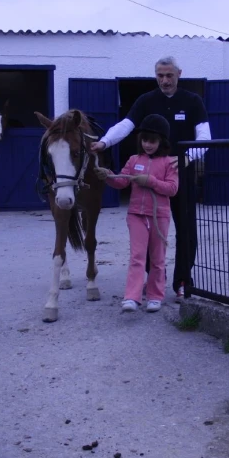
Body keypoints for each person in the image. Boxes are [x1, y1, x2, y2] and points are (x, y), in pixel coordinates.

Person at [90, 56, 210, 301]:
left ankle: (182, 281)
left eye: (169, 75)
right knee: (148, 230)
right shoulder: (146, 101)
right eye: (160, 75)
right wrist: (104, 142)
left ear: (179, 74)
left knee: (186, 230)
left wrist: (188, 157)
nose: (164, 80)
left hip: (179, 178)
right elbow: (125, 125)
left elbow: (205, 137)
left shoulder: (193, 101)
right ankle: (155, 280)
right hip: (147, 180)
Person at [94, 114, 178, 313]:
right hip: (136, 215)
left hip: (160, 217)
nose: (148, 145)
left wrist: (150, 181)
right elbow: (122, 182)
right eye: (145, 140)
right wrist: (108, 176)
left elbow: (172, 189)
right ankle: (131, 297)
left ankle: (155, 296)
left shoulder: (169, 163)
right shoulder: (133, 160)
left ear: (162, 141)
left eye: (153, 141)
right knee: (137, 256)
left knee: (157, 258)